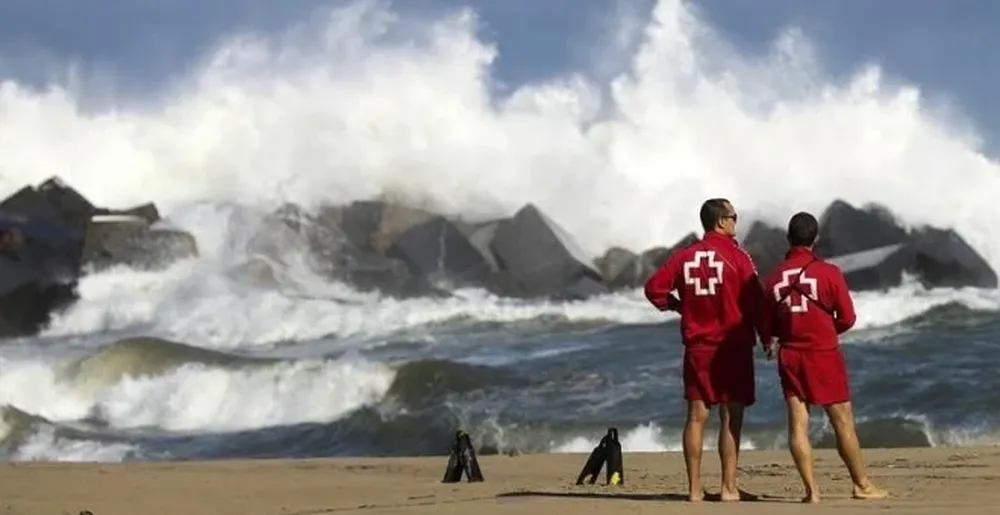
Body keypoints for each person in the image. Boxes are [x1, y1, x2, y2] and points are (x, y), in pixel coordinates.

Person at [758, 211, 889, 503]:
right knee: (842, 421)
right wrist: (828, 331)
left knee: (797, 423)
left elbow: (765, 326)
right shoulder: (829, 272)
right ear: (815, 239)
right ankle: (862, 485)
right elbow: (848, 317)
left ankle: (811, 491)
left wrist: (770, 342)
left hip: (790, 354)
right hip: (823, 354)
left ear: (788, 238)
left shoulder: (773, 278)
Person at [643, 198, 765, 502]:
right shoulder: (738, 258)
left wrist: (678, 306)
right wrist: (768, 336)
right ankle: (728, 488)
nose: (736, 222)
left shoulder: (684, 257)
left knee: (696, 417)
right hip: (732, 347)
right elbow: (756, 303)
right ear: (721, 222)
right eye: (734, 217)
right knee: (730, 417)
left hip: (698, 346)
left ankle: (694, 490)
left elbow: (653, 289)